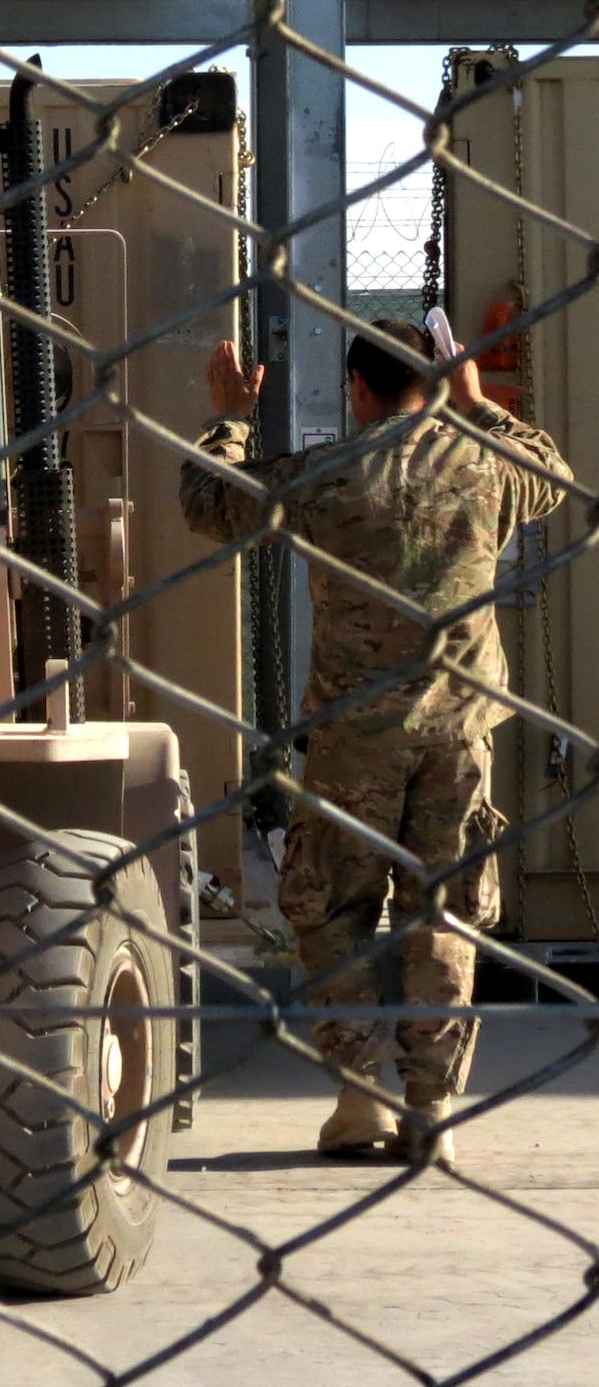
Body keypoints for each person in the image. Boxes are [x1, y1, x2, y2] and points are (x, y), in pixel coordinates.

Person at [179, 319, 570, 1164]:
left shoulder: (328, 475)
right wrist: (480, 410)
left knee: (329, 905)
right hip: (460, 732)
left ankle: (360, 1100)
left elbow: (208, 502)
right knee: (444, 913)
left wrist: (232, 417)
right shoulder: (487, 467)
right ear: (435, 381)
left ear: (357, 388)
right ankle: (432, 1109)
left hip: (354, 737)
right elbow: (557, 478)